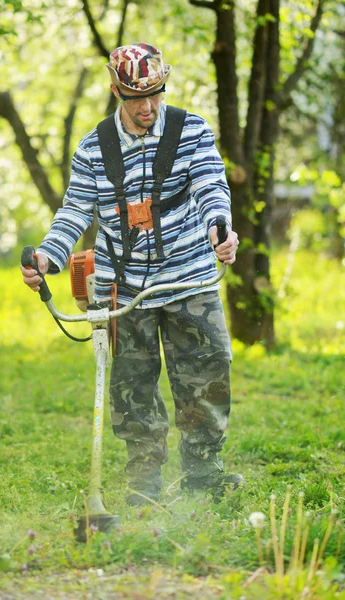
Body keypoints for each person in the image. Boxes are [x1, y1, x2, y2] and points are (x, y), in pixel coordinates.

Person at [21, 42, 243, 506]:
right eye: (135, 98)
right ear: (115, 92)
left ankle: (203, 478)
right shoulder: (93, 148)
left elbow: (210, 189)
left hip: (189, 279)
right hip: (123, 289)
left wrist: (220, 230)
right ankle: (143, 488)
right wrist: (48, 257)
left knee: (205, 379)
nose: (147, 107)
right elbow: (75, 212)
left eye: (155, 95)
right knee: (133, 391)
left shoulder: (192, 131)